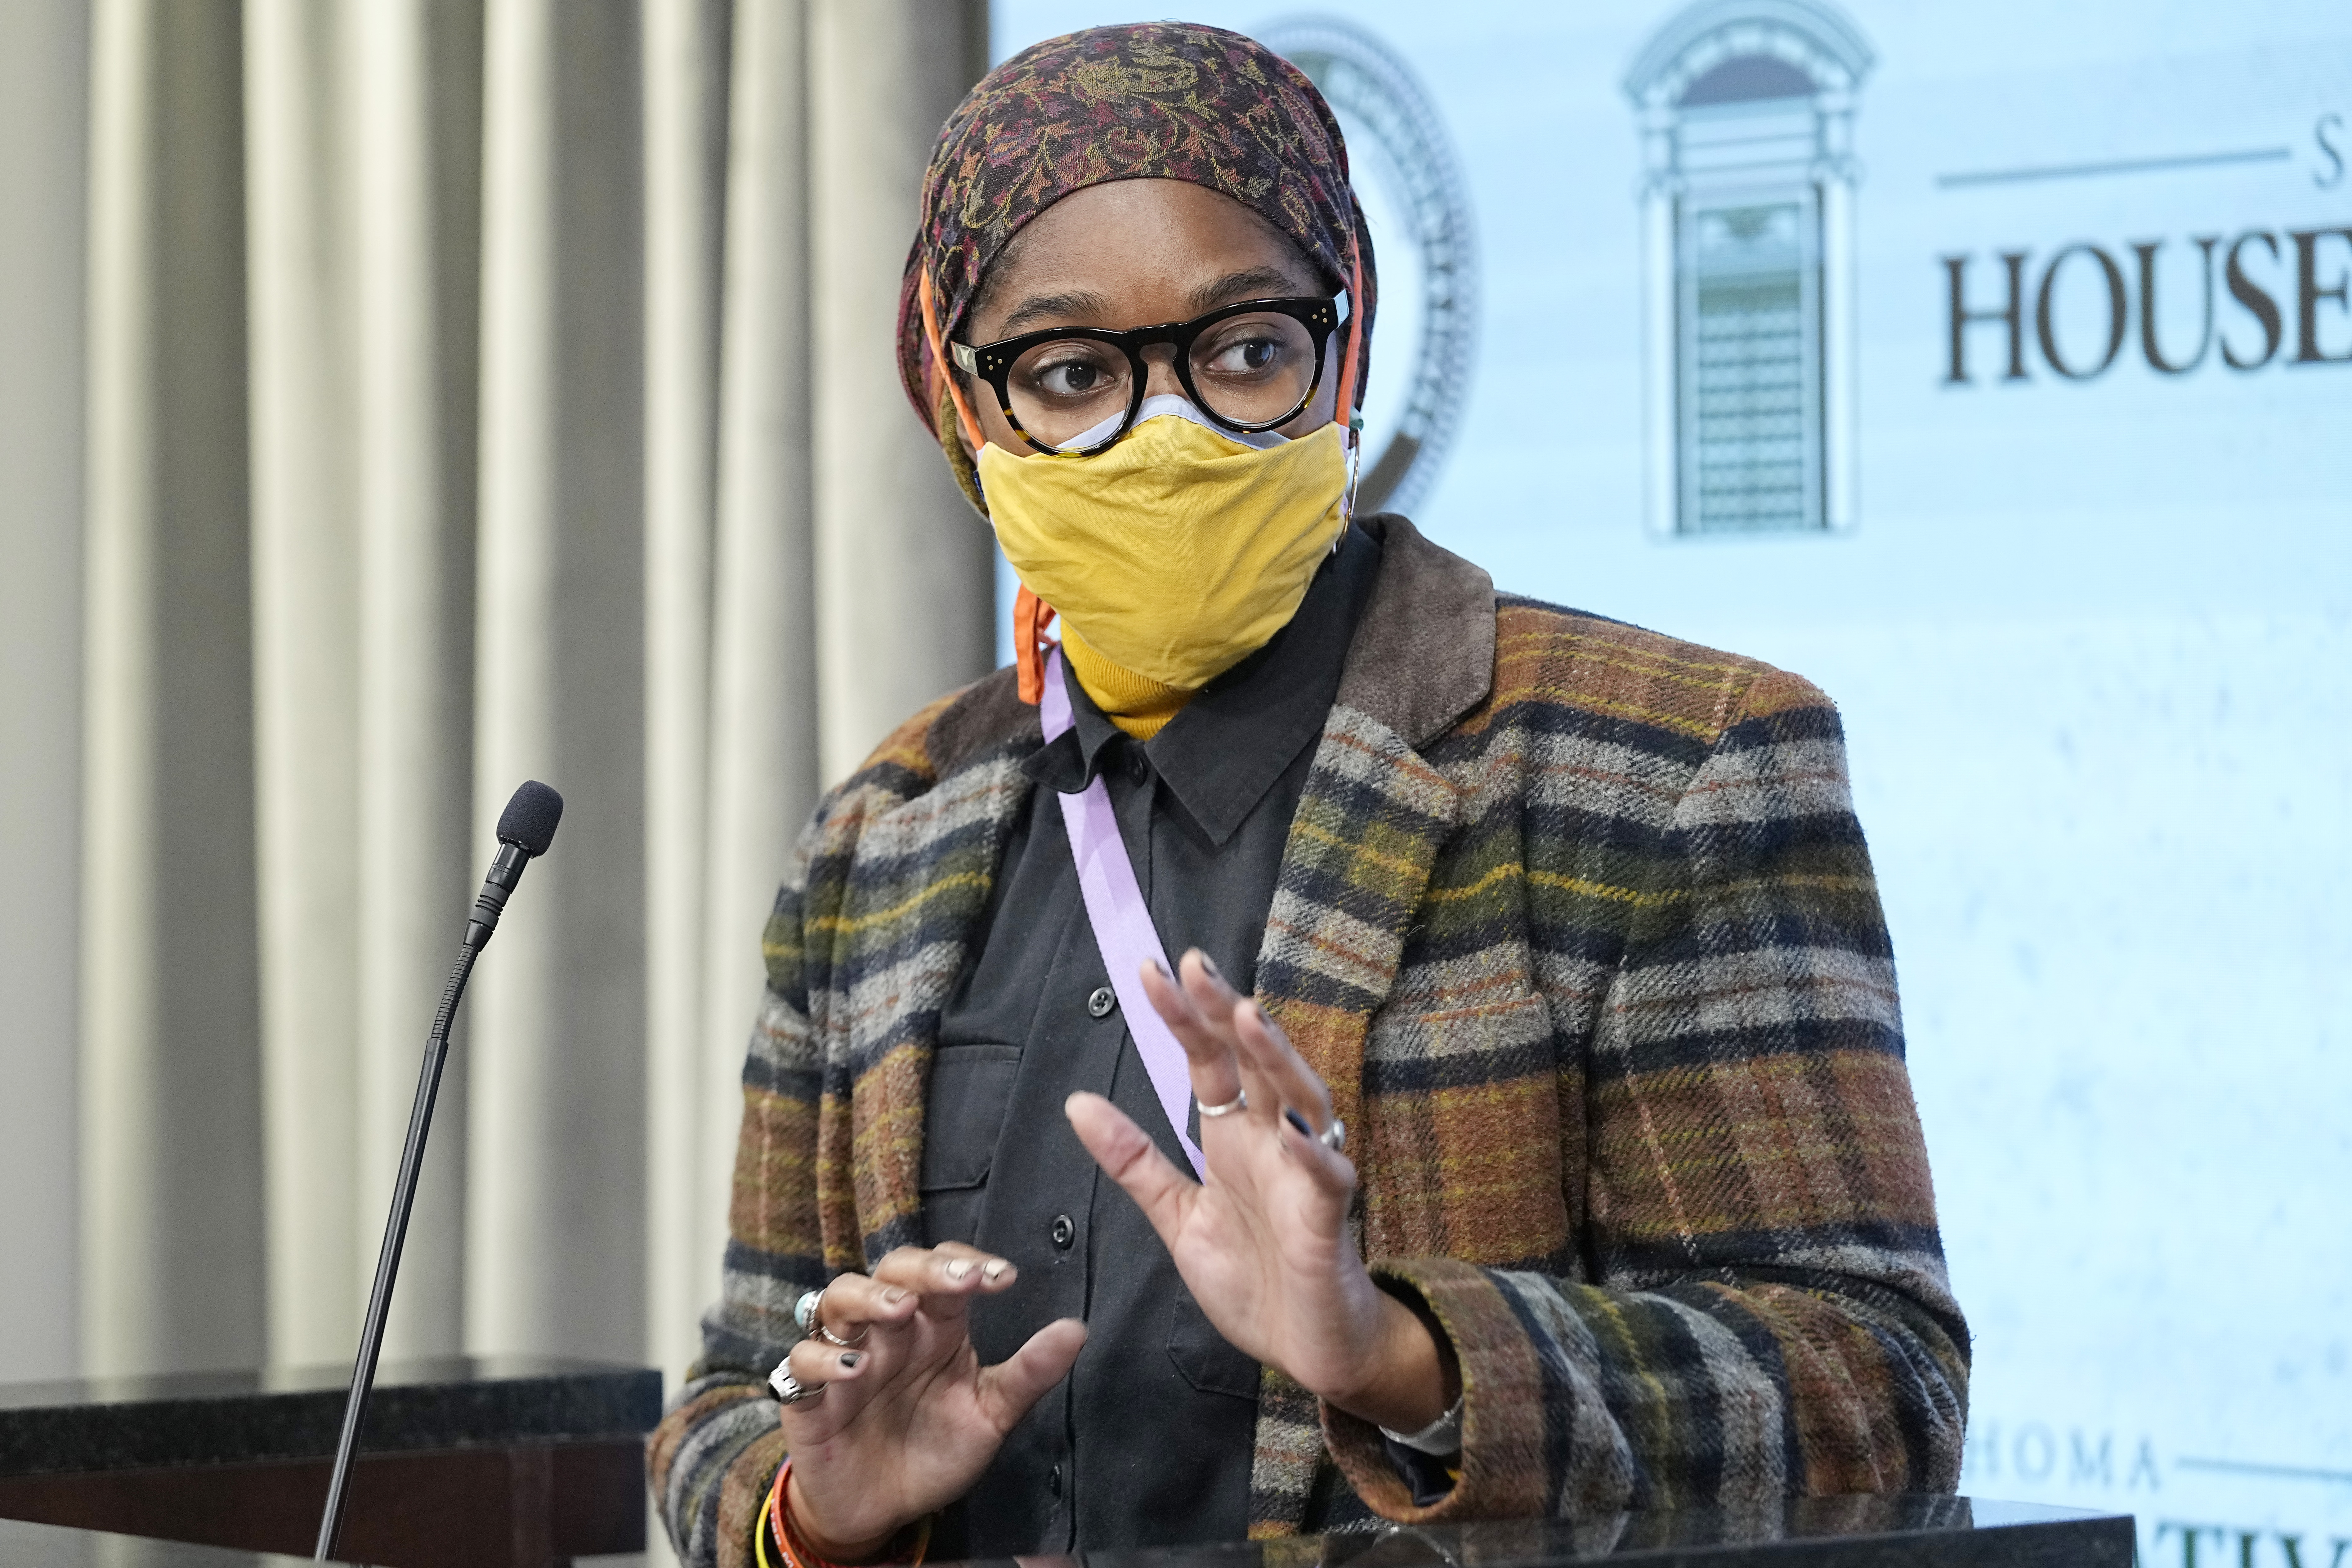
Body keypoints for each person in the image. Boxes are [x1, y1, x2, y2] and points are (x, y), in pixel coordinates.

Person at [650, 22, 1967, 1568]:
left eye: (1246, 352)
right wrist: (817, 1506)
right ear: (964, 404)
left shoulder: (1676, 764)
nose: (1171, 432)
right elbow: (737, 1391)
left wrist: (1399, 1351)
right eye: (1072, 375)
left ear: (1341, 354)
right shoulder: (883, 833)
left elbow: (1876, 1393)